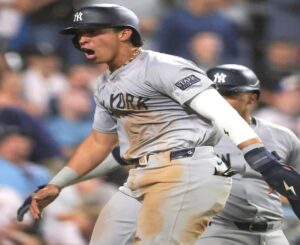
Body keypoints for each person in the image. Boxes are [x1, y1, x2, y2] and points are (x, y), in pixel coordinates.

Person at [23, 3, 300, 245]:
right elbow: (100, 142)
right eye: (80, 35)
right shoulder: (105, 83)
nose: (83, 40)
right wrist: (57, 183)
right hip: (141, 174)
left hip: (186, 170)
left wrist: (261, 158)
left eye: (93, 32)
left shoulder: (164, 66)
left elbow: (220, 111)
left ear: (124, 33)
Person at [196, 64, 300, 245]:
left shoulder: (282, 136)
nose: (218, 100)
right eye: (212, 94)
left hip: (273, 233)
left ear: (252, 98)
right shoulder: (191, 136)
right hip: (217, 232)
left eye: (229, 94)